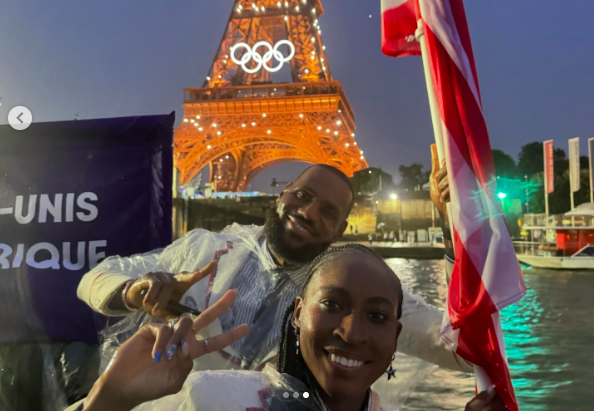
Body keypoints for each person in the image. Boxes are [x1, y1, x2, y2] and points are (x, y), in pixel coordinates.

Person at [78, 164, 471, 373]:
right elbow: (93, 279)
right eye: (301, 195)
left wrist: (457, 229)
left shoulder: (356, 291)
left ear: (341, 230)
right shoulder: (206, 250)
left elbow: (462, 348)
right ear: (281, 195)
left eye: (328, 211)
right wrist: (138, 290)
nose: (308, 212)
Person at [70, 246, 506, 411]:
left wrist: (458, 230)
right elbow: (96, 277)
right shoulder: (204, 399)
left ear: (396, 333)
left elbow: (464, 340)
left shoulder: (354, 274)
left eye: (376, 316)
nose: (352, 332)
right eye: (332, 306)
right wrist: (112, 400)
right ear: (298, 312)